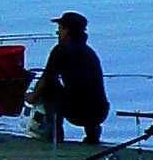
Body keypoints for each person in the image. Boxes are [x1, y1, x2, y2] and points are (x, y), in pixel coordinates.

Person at [33, 11, 110, 145]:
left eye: (60, 29)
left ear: (67, 30)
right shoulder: (89, 52)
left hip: (78, 112)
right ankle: (92, 135)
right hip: (100, 111)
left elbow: (47, 78)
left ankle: (55, 135)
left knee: (48, 89)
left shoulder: (60, 50)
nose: (58, 33)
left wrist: (32, 96)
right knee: (87, 91)